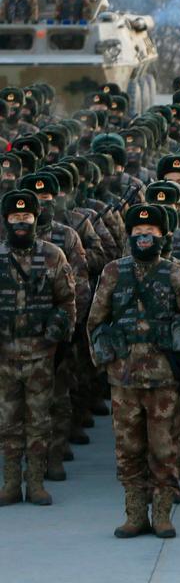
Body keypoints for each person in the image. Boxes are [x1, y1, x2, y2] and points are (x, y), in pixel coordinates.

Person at [87, 204, 180, 538]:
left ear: (163, 236)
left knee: (164, 449)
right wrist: (106, 360)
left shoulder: (175, 273)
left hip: (164, 378)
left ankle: (164, 513)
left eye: (150, 232)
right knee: (128, 450)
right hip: (123, 379)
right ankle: (135, 513)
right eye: (138, 232)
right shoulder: (113, 272)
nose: (143, 237)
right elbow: (96, 321)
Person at [0, 191, 76, 506]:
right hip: (4, 355)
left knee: (39, 419)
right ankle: (10, 483)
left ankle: (36, 482)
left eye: (26, 217)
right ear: (6, 220)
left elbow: (67, 300)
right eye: (15, 218)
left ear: (36, 218)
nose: (21, 223)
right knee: (7, 421)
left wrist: (56, 337)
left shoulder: (54, 255)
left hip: (41, 353)